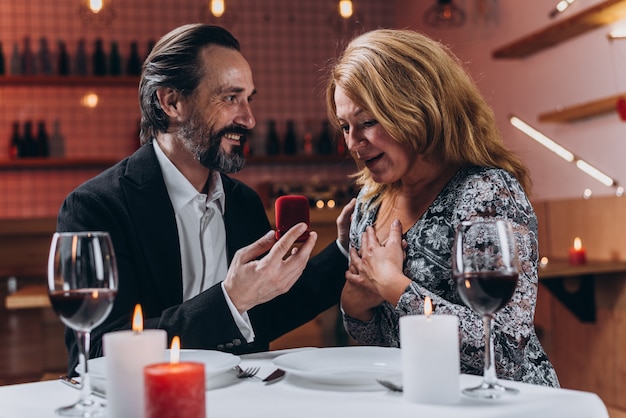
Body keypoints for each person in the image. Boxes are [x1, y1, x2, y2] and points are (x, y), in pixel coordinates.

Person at [57, 23, 354, 376]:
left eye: (248, 99)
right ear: (171, 102)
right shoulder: (95, 207)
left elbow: (267, 313)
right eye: (230, 98)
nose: (248, 118)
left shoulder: (242, 202)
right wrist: (231, 299)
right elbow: (96, 350)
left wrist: (344, 251)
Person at [325, 28, 559, 387]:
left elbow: (505, 350)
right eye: (345, 127)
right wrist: (354, 307)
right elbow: (381, 343)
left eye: (368, 122)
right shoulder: (369, 205)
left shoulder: (487, 192)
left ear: (417, 106)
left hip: (502, 405)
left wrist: (392, 286)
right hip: (420, 400)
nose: (354, 144)